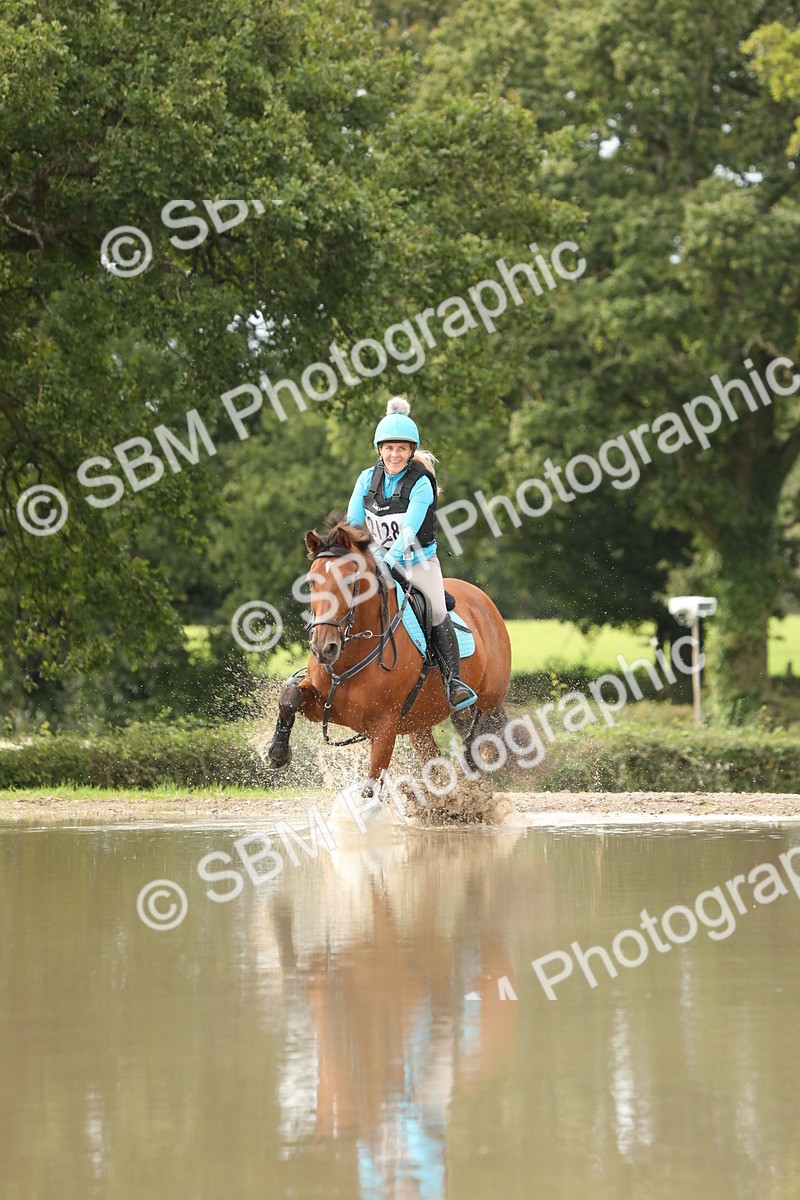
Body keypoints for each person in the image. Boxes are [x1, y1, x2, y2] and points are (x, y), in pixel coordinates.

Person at [347, 396, 474, 709]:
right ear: (380, 449)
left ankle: (452, 681)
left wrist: (388, 563)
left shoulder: (421, 484)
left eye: (401, 448)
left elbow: (407, 533)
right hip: (376, 561)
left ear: (411, 451)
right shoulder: (366, 478)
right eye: (389, 448)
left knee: (435, 608)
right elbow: (352, 523)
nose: (395, 454)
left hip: (417, 562)